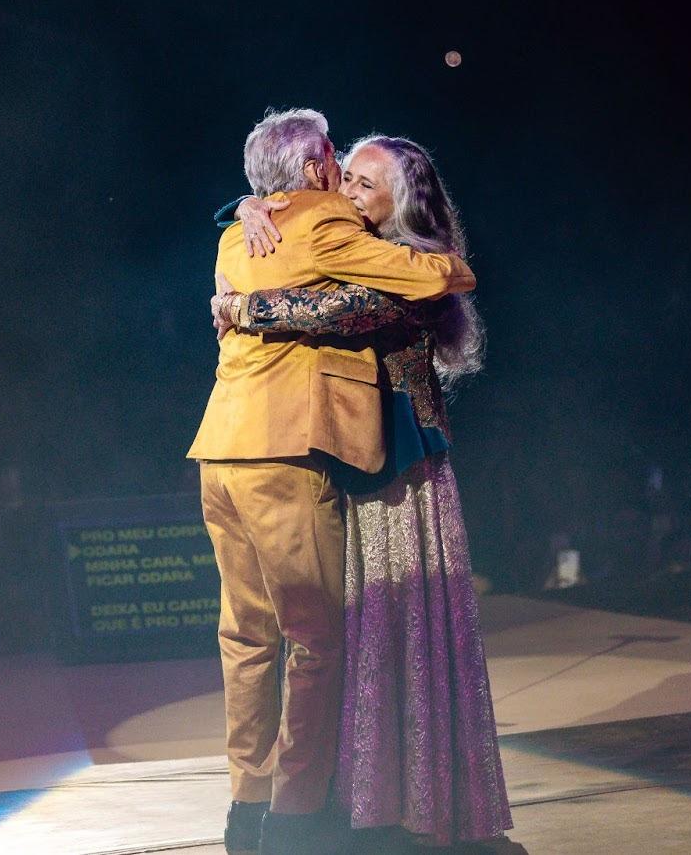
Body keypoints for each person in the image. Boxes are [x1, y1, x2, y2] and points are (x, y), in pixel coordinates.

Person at [187, 110, 477, 855]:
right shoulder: (323, 226)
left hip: (218, 453)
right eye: (333, 162)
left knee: (244, 639)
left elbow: (259, 234)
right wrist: (445, 265)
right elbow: (439, 274)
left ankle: (245, 809)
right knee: (315, 641)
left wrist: (249, 233)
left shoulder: (235, 234)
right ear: (314, 170)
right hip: (283, 457)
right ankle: (294, 816)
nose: (338, 174)